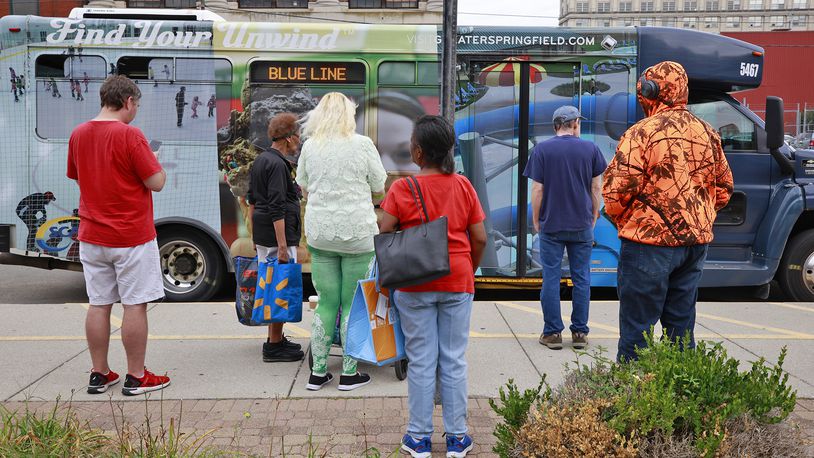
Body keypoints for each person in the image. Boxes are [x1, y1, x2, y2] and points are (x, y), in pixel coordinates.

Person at [603, 61, 733, 362]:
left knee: (638, 333)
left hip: (648, 245)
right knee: (681, 329)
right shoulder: (707, 132)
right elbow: (724, 187)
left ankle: (635, 399)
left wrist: (627, 219)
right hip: (694, 245)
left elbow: (615, 192)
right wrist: (700, 216)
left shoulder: (642, 133)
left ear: (650, 92)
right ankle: (678, 398)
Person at [379, 115, 487, 458]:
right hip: (458, 279)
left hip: (414, 284)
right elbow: (480, 237)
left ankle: (419, 438)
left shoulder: (401, 189)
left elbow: (385, 231)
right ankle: (457, 438)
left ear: (420, 152)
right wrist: (468, 267)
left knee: (422, 361)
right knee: (454, 360)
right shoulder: (463, 185)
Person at [66, 75, 171, 395]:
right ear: (127, 101)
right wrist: (158, 164)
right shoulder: (130, 135)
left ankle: (99, 373)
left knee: (99, 304)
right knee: (135, 305)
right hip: (130, 236)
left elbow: (76, 175)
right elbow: (156, 182)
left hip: (92, 234)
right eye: (136, 104)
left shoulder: (79, 133)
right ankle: (137, 376)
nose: (136, 110)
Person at [296, 92, 388, 392]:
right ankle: (349, 373)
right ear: (350, 115)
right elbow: (379, 187)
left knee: (326, 303)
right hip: (357, 234)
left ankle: (318, 372)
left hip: (321, 232)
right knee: (351, 303)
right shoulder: (363, 145)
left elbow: (304, 186)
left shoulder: (310, 146)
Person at [522, 105, 606, 350]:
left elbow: (538, 190)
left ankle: (552, 333)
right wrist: (593, 214)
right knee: (581, 278)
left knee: (551, 277)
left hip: (552, 225)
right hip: (581, 224)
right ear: (575, 124)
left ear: (555, 125)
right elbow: (596, 189)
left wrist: (537, 220)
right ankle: (579, 333)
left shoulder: (542, 150)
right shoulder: (591, 149)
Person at [246, 112, 305, 363]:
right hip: (276, 236)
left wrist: (253, 235)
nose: (300, 141)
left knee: (272, 285)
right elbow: (276, 206)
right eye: (298, 136)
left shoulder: (261, 160)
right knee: (279, 287)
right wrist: (282, 246)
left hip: (263, 234)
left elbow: (251, 200)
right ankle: (273, 346)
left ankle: (276, 339)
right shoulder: (279, 165)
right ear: (289, 137)